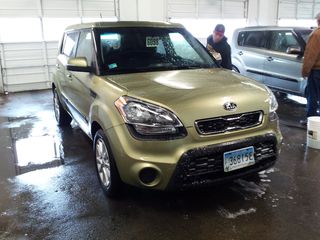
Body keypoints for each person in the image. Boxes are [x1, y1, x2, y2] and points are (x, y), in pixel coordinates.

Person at [301, 12, 320, 125]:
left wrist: (305, 71)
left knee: (312, 96)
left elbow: (310, 55)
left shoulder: (316, 34)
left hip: (317, 71)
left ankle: (311, 122)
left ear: (318, 21)